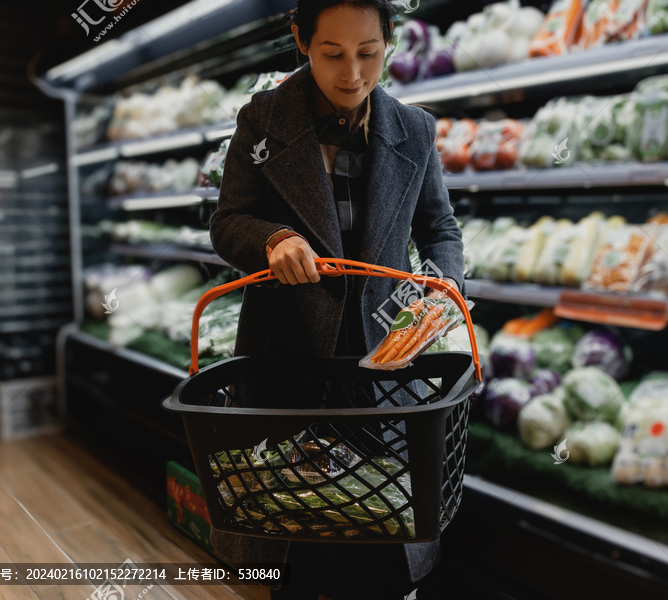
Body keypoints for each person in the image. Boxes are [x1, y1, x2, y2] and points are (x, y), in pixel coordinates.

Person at [208, 0, 465, 597]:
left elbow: (439, 229)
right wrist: (271, 240)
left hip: (386, 360)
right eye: (332, 54)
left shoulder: (415, 129)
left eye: (369, 53)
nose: (352, 73)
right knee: (292, 536)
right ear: (301, 40)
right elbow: (227, 222)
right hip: (288, 353)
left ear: (389, 43)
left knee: (381, 535)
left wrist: (445, 286)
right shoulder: (262, 120)